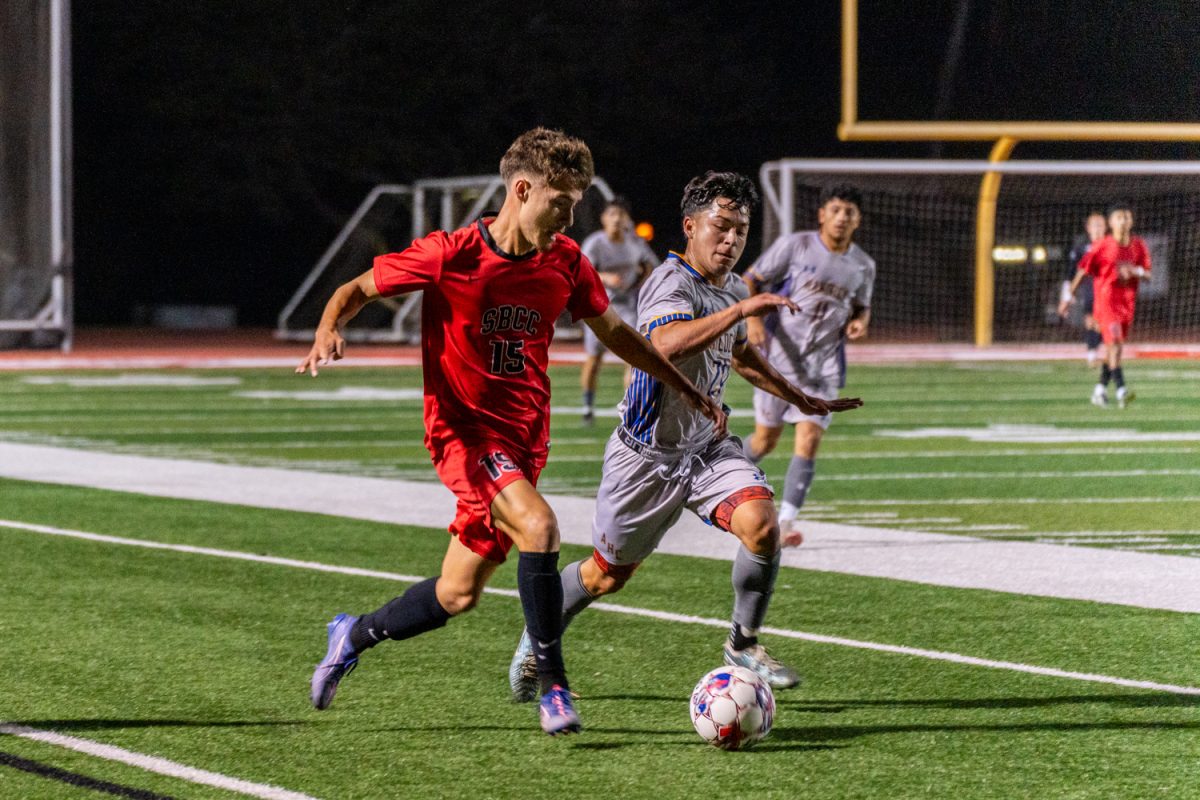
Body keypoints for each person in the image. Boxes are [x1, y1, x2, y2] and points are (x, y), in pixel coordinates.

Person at [299, 128, 724, 736]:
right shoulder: (451, 253)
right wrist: (326, 328)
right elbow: (355, 289)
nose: (572, 215)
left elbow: (619, 335)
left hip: (524, 441)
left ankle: (353, 634)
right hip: (463, 435)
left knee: (456, 593)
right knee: (540, 526)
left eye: (577, 202)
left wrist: (683, 385)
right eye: (563, 200)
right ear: (523, 190)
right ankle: (554, 684)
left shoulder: (567, 263)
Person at [507, 171, 862, 702]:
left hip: (706, 447)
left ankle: (743, 642)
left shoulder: (734, 286)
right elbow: (663, 343)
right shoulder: (671, 283)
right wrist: (739, 310)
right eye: (721, 227)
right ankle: (538, 636)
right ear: (690, 226)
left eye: (741, 230)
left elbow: (741, 355)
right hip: (644, 458)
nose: (731, 240)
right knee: (606, 575)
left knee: (761, 526)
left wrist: (799, 397)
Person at [739, 184, 875, 547]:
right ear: (822, 215)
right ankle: (721, 470)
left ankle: (785, 523)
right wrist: (752, 320)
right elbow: (750, 280)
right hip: (779, 359)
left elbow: (861, 305)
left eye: (849, 211)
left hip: (823, 366)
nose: (842, 217)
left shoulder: (863, 265)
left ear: (858, 220)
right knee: (765, 441)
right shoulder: (795, 245)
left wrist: (860, 320)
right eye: (836, 209)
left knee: (810, 437)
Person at [1058, 201, 1150, 409]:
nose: (1123, 221)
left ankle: (1099, 390)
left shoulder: (1138, 245)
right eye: (1119, 217)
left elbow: (1148, 273)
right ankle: (1121, 389)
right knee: (1115, 346)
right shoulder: (1103, 246)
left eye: (1126, 217)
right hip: (1106, 304)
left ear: (1131, 220)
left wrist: (1136, 272)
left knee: (1114, 350)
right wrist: (1068, 297)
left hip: (1127, 305)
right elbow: (1082, 271)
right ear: (1111, 222)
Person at [579, 196, 659, 424]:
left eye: (620, 215)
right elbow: (583, 271)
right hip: (598, 306)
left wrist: (643, 277)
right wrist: (605, 277)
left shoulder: (635, 243)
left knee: (634, 358)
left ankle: (630, 407)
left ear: (627, 219)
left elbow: (653, 266)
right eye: (612, 214)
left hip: (628, 307)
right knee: (594, 358)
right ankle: (587, 406)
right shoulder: (595, 243)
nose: (616, 219)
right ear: (604, 219)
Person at [1062, 211, 1108, 366]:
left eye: (1101, 225)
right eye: (1094, 225)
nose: (1098, 228)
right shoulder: (1081, 247)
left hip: (1109, 289)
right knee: (1091, 319)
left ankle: (1101, 350)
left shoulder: (1111, 244)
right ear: (1088, 228)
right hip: (1089, 288)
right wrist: (1066, 298)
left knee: (1103, 323)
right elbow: (1071, 273)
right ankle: (1092, 354)